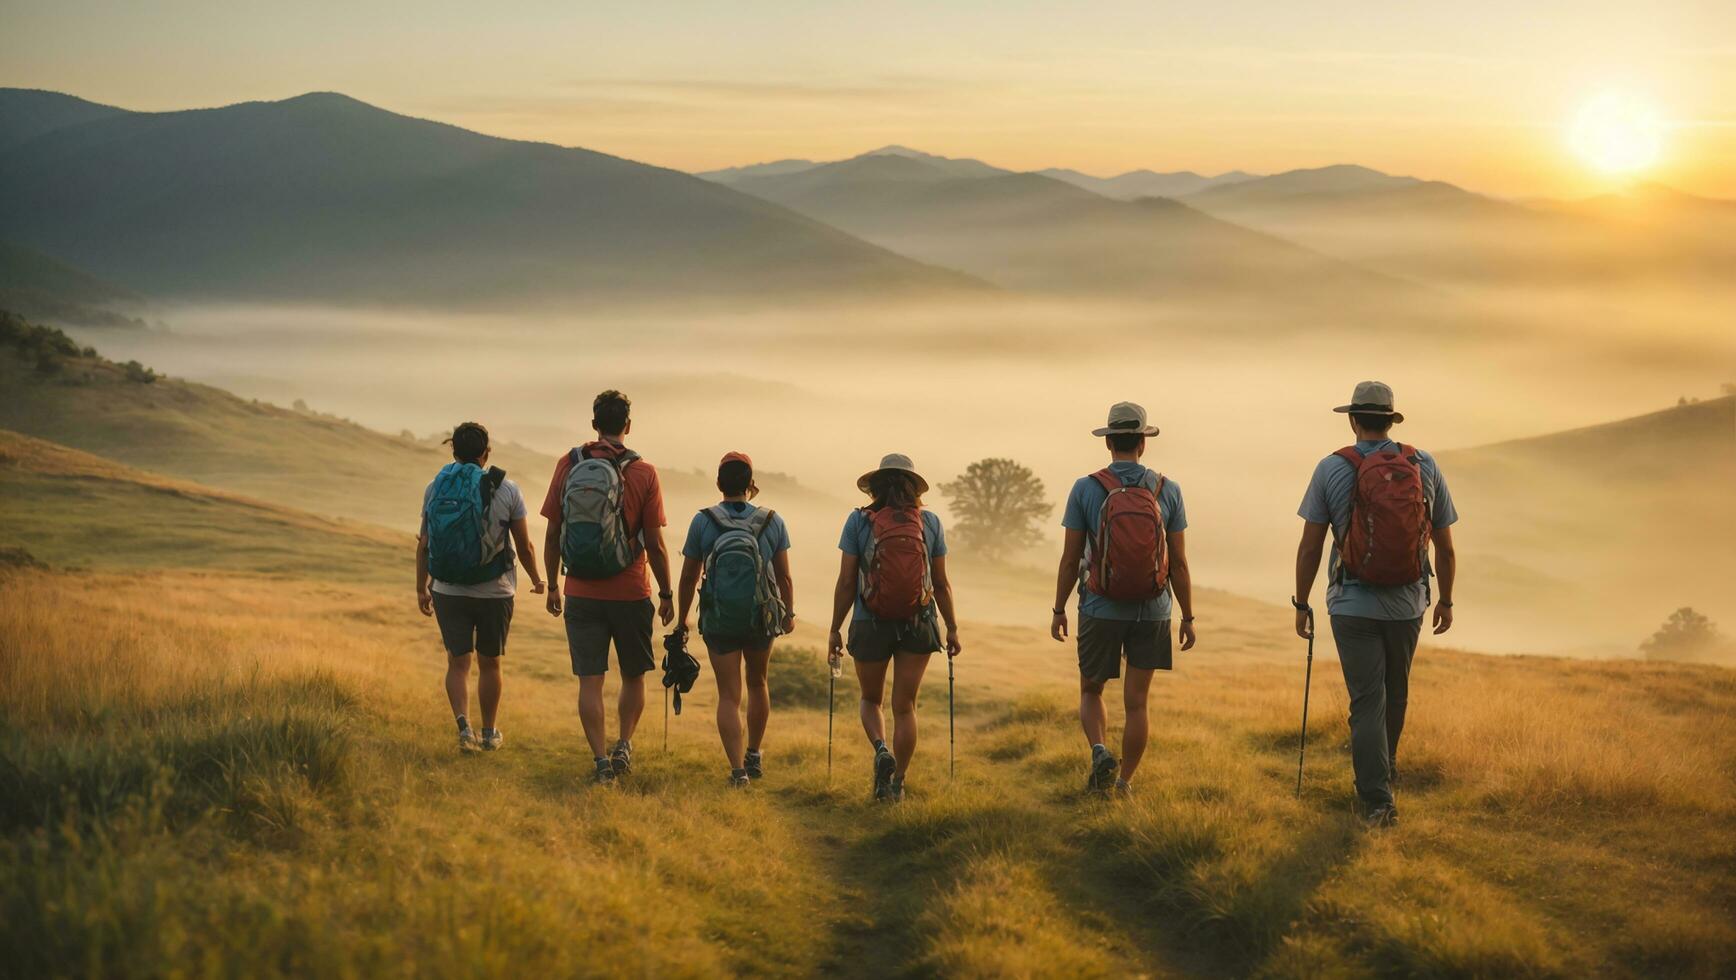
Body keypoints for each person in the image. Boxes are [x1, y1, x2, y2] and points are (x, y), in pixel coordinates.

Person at [1292, 381, 1458, 828]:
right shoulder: (1423, 464)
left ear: (1352, 419)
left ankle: (1376, 799)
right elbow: (1444, 543)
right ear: (1391, 420)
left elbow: (1310, 546)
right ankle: (1384, 772)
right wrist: (1445, 599)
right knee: (1396, 692)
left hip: (1351, 603)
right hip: (1408, 603)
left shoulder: (1332, 468)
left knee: (1367, 700)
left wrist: (1301, 601)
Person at [1050, 402, 1196, 796]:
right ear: (1143, 445)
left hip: (1100, 606)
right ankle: (1124, 782)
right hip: (1153, 610)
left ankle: (1099, 749)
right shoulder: (1169, 490)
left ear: (1109, 442)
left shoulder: (1086, 488)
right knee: (1136, 703)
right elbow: (1178, 562)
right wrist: (1188, 616)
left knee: (1091, 689)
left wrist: (1059, 608)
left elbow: (1069, 559)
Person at [541, 390, 674, 785]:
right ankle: (623, 745)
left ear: (594, 424)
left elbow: (552, 534)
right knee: (634, 676)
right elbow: (654, 542)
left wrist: (552, 585)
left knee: (590, 681)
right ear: (627, 426)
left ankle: (600, 760)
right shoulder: (644, 472)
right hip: (631, 590)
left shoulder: (569, 463)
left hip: (580, 589)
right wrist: (667, 593)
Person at [827, 453, 961, 802]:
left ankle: (881, 749)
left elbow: (846, 581)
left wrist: (835, 629)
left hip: (869, 621)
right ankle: (897, 783)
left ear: (875, 487)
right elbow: (942, 583)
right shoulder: (929, 522)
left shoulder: (858, 521)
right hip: (919, 623)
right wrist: (951, 628)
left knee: (871, 700)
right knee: (906, 707)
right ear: (913, 487)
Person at [416, 421, 545, 752]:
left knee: (457, 663)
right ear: (486, 452)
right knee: (490, 663)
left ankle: (463, 728)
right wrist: (537, 579)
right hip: (494, 591)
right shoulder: (506, 489)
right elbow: (525, 545)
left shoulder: (435, 487)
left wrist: (422, 587)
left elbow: (425, 543)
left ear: (453, 451)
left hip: (447, 589)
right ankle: (489, 733)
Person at [674, 452, 795, 787]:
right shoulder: (773, 520)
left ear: (719, 484)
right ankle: (754, 754)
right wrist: (788, 614)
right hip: (760, 618)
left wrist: (683, 619)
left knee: (729, 695)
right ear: (751, 484)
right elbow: (784, 577)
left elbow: (688, 578)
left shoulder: (703, 521)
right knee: (758, 683)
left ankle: (737, 771)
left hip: (719, 620)